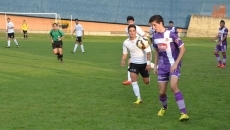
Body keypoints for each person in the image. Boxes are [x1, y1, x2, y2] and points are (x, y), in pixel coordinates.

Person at [149, 15, 189, 121]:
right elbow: (157, 51)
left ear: (161, 23)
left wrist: (176, 63)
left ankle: (183, 113)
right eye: (152, 25)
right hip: (162, 66)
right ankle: (164, 107)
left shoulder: (171, 34)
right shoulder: (154, 37)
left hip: (173, 65)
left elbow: (183, 49)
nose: (153, 27)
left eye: (154, 25)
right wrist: (156, 65)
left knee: (173, 86)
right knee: (162, 92)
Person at [121, 24, 151, 104]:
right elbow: (125, 53)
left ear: (136, 31)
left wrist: (148, 64)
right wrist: (123, 60)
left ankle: (148, 75)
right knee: (133, 79)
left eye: (133, 31)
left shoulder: (142, 40)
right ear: (128, 32)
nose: (132, 32)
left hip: (143, 63)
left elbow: (148, 52)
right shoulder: (125, 42)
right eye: (130, 31)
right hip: (133, 63)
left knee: (146, 82)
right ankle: (139, 98)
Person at [122, 16, 147, 85]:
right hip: (133, 48)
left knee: (144, 62)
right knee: (130, 62)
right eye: (129, 22)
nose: (130, 23)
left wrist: (144, 43)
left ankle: (157, 67)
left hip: (141, 47)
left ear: (134, 22)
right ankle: (130, 80)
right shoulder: (126, 29)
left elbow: (144, 35)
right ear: (127, 22)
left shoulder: (137, 28)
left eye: (131, 22)